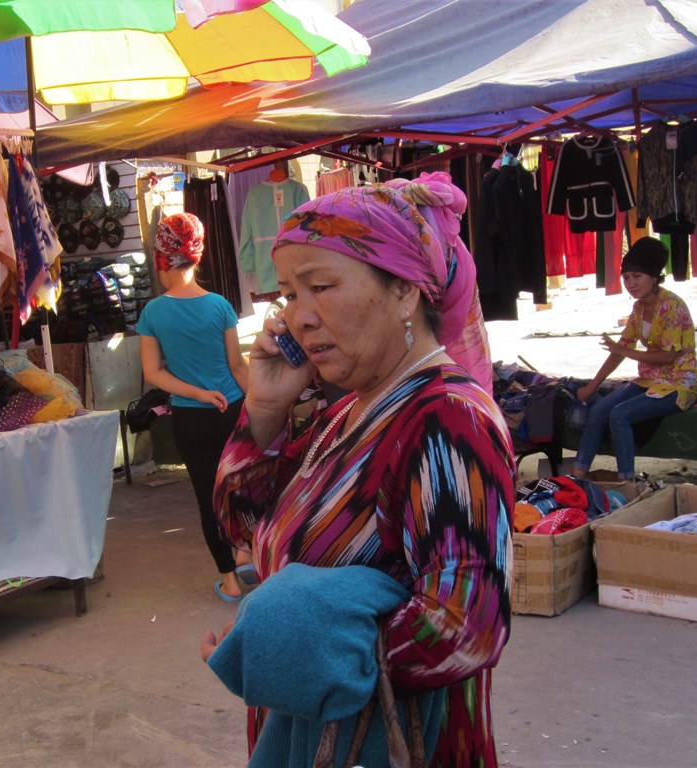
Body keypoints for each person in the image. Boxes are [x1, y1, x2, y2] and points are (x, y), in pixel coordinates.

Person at [202, 173, 516, 767]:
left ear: (403, 291)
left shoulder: (446, 419)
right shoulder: (348, 409)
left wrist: (288, 649)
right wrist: (266, 409)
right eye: (289, 295)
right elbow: (245, 529)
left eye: (320, 286)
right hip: (320, 736)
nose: (300, 317)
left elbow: (466, 626)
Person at [136, 212, 249, 602]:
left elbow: (153, 373)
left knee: (207, 497)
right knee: (240, 488)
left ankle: (231, 581)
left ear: (161, 257)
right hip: (231, 411)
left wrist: (197, 393)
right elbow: (237, 367)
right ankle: (248, 552)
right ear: (198, 255)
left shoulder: (152, 313)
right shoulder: (220, 306)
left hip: (190, 418)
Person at [572, 236, 697, 480]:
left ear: (654, 277)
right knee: (599, 409)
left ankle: (626, 482)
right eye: (626, 277)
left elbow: (668, 356)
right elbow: (620, 349)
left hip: (678, 384)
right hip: (648, 381)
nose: (631, 283)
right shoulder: (639, 308)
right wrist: (591, 387)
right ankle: (576, 478)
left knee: (619, 415)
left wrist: (625, 352)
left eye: (637, 276)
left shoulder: (672, 305)